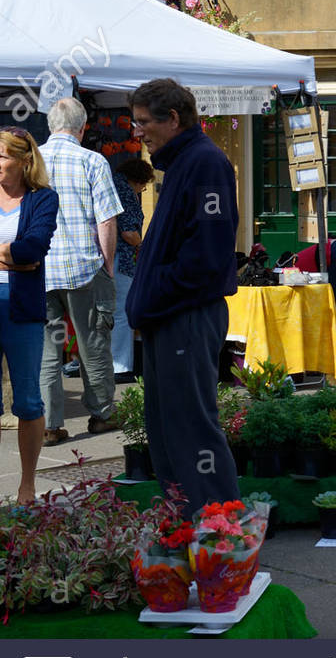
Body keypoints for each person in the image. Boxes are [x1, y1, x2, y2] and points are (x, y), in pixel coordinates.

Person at [126, 78, 240, 516]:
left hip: (186, 318)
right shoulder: (184, 163)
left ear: (173, 119)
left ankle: (221, 539)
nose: (138, 133)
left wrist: (152, 294)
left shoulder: (204, 162)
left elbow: (206, 259)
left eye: (143, 123)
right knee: (168, 430)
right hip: (171, 317)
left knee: (191, 430)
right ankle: (188, 529)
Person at [0, 127, 59, 516]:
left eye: (3, 156)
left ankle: (27, 484)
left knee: (27, 397)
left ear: (25, 161)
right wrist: (7, 259)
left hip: (20, 306)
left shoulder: (42, 199)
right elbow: (23, 258)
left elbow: (33, 248)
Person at [39, 97, 123, 445]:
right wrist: (107, 262)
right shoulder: (92, 160)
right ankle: (102, 414)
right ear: (82, 127)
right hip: (84, 266)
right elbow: (106, 218)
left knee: (46, 351)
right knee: (93, 344)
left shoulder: (31, 160)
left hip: (39, 269)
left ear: (49, 126)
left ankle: (49, 424)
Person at [111, 157, 155, 382]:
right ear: (137, 180)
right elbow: (129, 232)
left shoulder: (111, 184)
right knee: (122, 311)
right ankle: (119, 366)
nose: (143, 190)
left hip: (108, 258)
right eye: (143, 185)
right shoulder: (126, 191)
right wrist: (143, 247)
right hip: (121, 258)